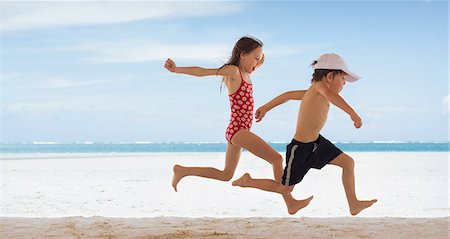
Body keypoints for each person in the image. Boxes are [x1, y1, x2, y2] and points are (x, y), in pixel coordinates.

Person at [164, 36, 313, 213]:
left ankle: (183, 171)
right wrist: (177, 69)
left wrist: (258, 63)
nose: (257, 63)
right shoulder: (233, 71)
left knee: (226, 175)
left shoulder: (246, 74)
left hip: (235, 131)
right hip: (239, 131)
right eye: (255, 58)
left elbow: (252, 68)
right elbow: (204, 71)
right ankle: (290, 203)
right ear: (243, 54)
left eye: (259, 59)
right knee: (277, 159)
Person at [232, 53, 377, 216]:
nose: (344, 83)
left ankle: (353, 204)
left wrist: (266, 107)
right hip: (300, 148)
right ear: (329, 76)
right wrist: (353, 115)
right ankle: (247, 181)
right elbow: (334, 97)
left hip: (317, 144)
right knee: (285, 188)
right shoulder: (321, 88)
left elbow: (287, 96)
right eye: (343, 78)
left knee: (348, 163)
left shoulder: (312, 91)